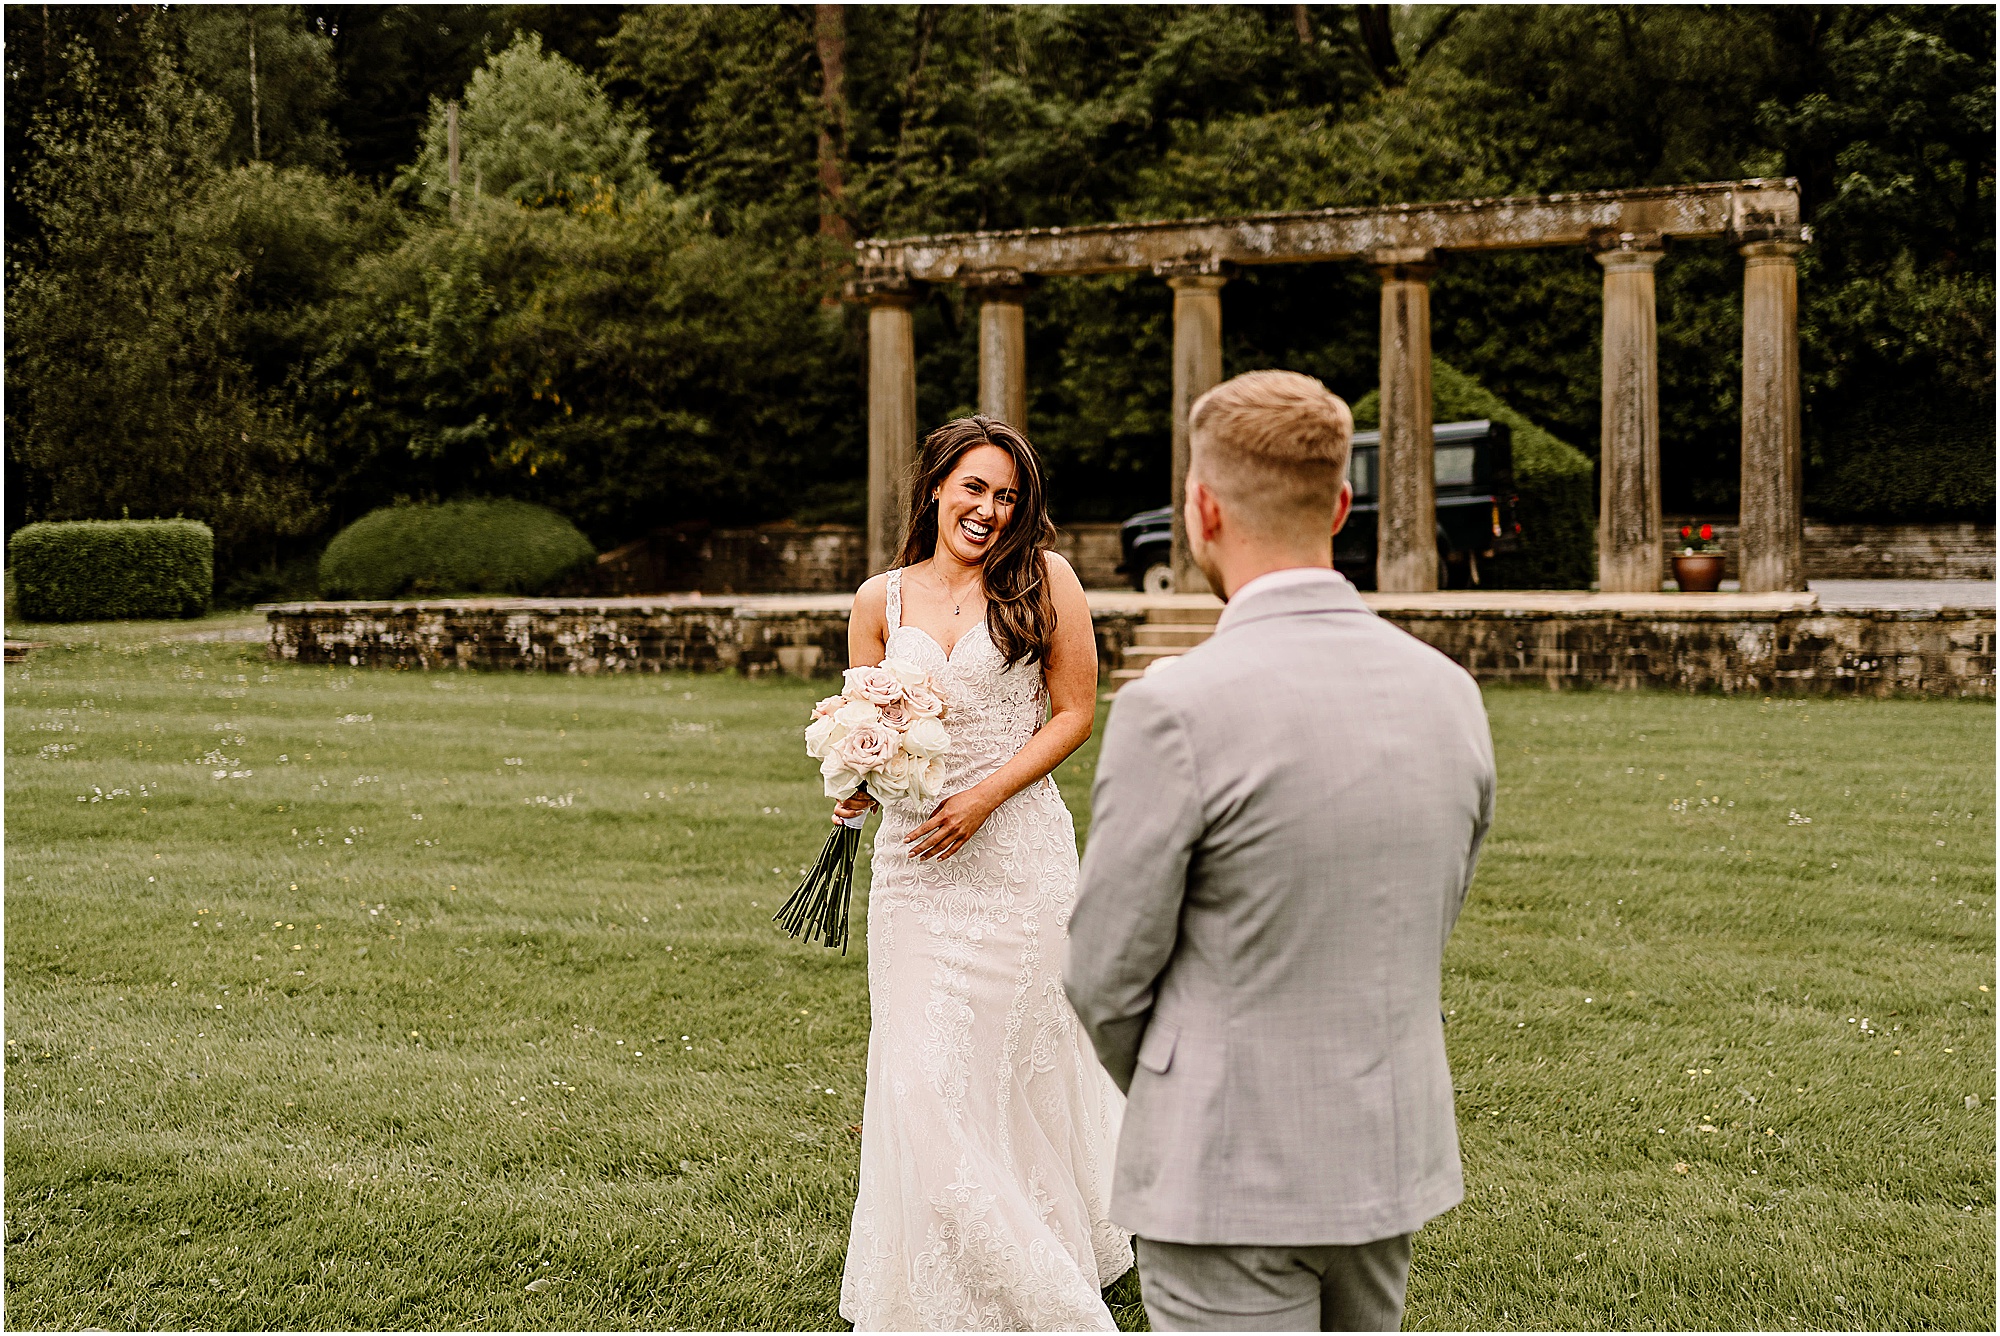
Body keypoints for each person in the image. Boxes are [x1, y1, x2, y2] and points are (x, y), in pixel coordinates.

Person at [1063, 371, 1496, 1332]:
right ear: (1342, 505)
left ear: (1203, 509)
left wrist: (1198, 1086)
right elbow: (1429, 913)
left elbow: (1101, 976)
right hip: (1385, 1155)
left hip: (1226, 1171)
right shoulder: (1448, 693)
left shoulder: (1175, 708)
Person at [834, 415, 1133, 1331]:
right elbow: (868, 719)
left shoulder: (1047, 581)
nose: (990, 511)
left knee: (1016, 1069)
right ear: (934, 486)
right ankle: (979, 1270)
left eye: (1007, 496)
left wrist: (984, 798)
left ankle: (1049, 1252)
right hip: (916, 865)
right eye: (975, 488)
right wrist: (857, 778)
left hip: (1018, 859)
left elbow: (1074, 711)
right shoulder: (879, 598)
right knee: (921, 1075)